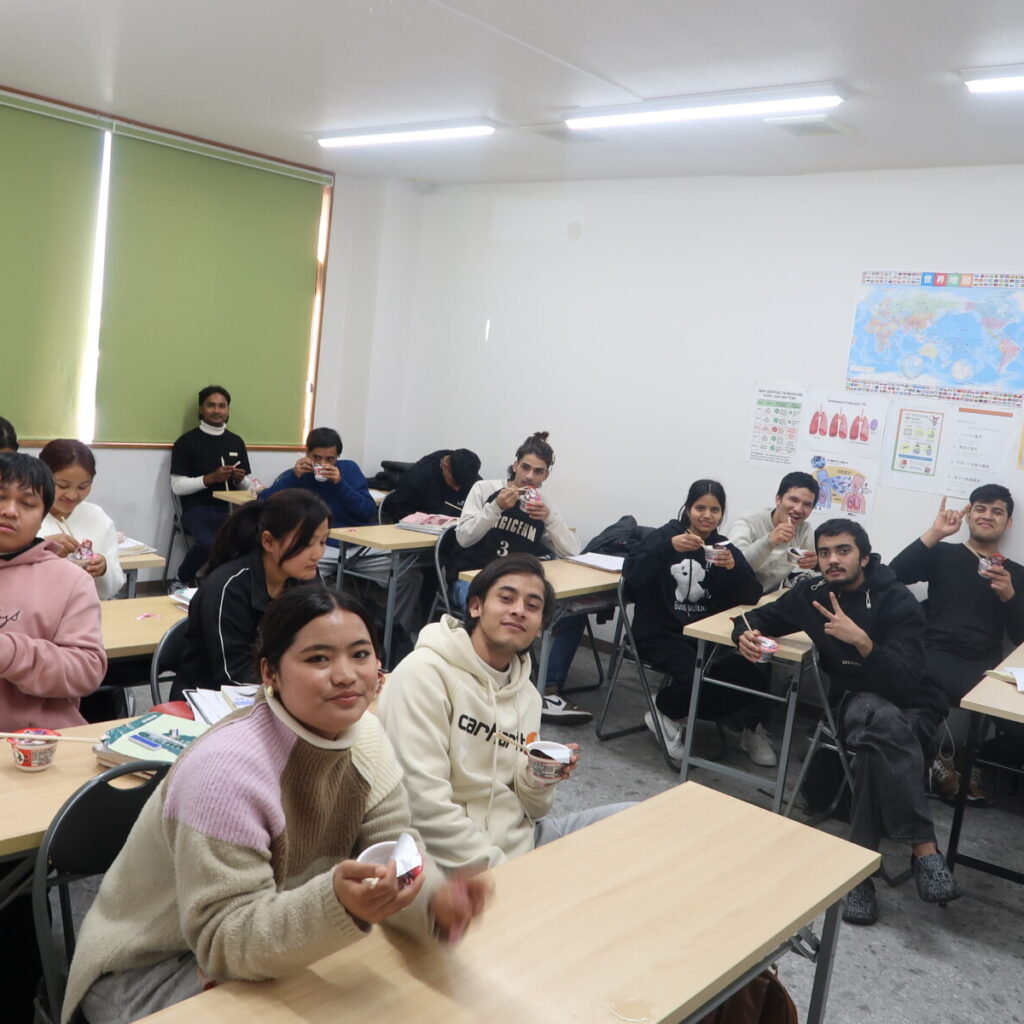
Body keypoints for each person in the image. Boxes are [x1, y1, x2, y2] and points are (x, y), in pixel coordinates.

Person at [63, 585, 490, 1024]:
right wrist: (339, 904)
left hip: (269, 942)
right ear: (270, 672)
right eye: (318, 658)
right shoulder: (226, 771)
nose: (346, 675)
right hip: (153, 969)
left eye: (361, 654)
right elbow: (223, 940)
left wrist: (434, 900)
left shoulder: (367, 738)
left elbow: (395, 851)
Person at [732, 519, 960, 925]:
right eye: (824, 552)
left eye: (843, 550)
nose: (833, 560)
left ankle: (858, 874)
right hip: (856, 702)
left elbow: (906, 681)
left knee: (878, 744)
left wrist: (864, 643)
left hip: (913, 706)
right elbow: (754, 619)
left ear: (864, 557)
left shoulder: (897, 601)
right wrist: (743, 635)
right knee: (879, 724)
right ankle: (924, 847)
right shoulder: (812, 594)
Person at [379, 553, 631, 873]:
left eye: (533, 606)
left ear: (540, 625)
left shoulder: (527, 696)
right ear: (476, 606)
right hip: (454, 865)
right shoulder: (424, 675)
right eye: (506, 598)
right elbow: (422, 806)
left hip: (524, 842)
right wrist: (503, 872)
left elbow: (533, 811)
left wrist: (536, 779)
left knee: (639, 819)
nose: (519, 610)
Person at [0, 452, 106, 1023]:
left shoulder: (67, 581)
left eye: (25, 502)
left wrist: (10, 652)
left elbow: (86, 670)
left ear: (43, 514)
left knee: (15, 905)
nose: (9, 510)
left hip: (33, 761)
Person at [890, 486, 1024, 804]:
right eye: (980, 508)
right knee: (920, 697)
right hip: (933, 653)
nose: (987, 516)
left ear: (1008, 523)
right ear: (969, 515)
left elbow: (1020, 638)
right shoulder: (943, 553)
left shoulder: (1016, 573)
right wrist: (936, 532)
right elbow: (894, 574)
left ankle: (966, 759)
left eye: (996, 511)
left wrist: (1010, 596)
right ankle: (941, 763)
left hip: (985, 665)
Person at [623, 479, 770, 765]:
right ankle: (669, 711)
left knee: (752, 677)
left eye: (715, 510)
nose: (707, 516)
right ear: (688, 508)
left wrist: (733, 568)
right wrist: (668, 548)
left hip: (703, 637)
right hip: (659, 632)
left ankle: (669, 711)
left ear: (722, 514)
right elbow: (632, 580)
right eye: (700, 508)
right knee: (693, 674)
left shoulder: (722, 546)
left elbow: (751, 595)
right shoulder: (665, 536)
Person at [452, 431, 591, 723]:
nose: (529, 476)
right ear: (515, 465)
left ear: (546, 475)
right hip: (475, 579)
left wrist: (549, 519)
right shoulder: (485, 489)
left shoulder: (541, 504)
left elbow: (573, 551)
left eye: (538, 471)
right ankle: (482, 683)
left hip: (520, 585)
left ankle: (548, 689)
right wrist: (495, 508)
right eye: (525, 467)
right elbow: (463, 537)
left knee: (573, 614)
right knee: (492, 609)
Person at [260, 427, 420, 631]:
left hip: (357, 544)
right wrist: (293, 476)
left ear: (338, 457)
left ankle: (396, 634)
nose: (323, 464)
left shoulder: (349, 470)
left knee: (409, 576)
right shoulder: (299, 475)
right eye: (317, 458)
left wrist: (341, 484)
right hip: (320, 546)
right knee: (301, 576)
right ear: (307, 454)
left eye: (330, 459)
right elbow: (263, 503)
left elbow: (367, 510)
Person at [173, 489, 330, 696]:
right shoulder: (227, 588)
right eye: (306, 543)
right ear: (268, 542)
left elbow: (323, 641)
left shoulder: (307, 580)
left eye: (323, 542)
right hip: (211, 700)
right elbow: (235, 676)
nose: (318, 554)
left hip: (282, 693)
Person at [170, 386, 252, 585]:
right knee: (210, 543)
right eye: (211, 405)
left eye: (222, 406)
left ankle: (231, 585)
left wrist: (240, 479)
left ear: (228, 410)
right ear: (201, 409)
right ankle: (180, 580)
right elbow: (177, 486)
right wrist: (210, 479)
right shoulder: (186, 442)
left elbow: (249, 487)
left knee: (254, 539)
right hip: (196, 510)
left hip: (229, 510)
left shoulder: (236, 442)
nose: (217, 411)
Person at [38, 439, 125, 600]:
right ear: (41, 477)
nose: (72, 495)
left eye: (83, 487)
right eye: (62, 485)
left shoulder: (97, 517)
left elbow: (113, 586)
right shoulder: (20, 515)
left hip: (86, 609)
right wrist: (39, 549)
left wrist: (104, 569)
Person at [727, 471, 820, 592]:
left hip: (767, 599)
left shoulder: (804, 530)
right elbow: (736, 568)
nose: (798, 509)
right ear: (778, 499)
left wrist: (815, 563)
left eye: (807, 505)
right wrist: (769, 540)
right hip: (729, 595)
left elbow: (819, 567)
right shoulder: (747, 522)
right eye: (793, 500)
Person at [381, 448, 481, 523]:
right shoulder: (417, 477)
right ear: (445, 466)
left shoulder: (469, 474)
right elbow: (401, 515)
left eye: (463, 485)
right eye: (455, 482)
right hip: (422, 532)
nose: (457, 488)